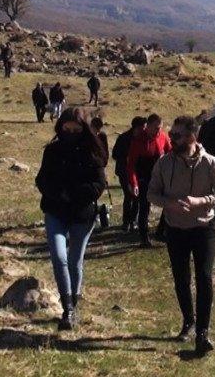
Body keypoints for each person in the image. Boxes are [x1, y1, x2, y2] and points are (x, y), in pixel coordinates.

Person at [147, 115, 215, 356]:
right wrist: (169, 204)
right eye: (171, 134)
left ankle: (202, 333)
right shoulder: (164, 163)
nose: (171, 139)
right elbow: (151, 194)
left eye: (177, 135)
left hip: (204, 228)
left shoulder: (211, 163)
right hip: (175, 229)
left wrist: (201, 202)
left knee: (204, 277)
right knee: (181, 279)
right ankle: (188, 320)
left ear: (192, 137)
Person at [34, 107, 107, 331]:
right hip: (55, 211)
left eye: (76, 130)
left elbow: (99, 184)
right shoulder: (52, 151)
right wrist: (58, 194)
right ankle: (67, 307)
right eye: (67, 129)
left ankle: (73, 304)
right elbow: (41, 179)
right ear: (60, 128)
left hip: (82, 214)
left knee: (75, 260)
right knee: (59, 257)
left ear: (84, 129)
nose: (71, 133)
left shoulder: (92, 152)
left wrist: (76, 194)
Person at [126, 113, 172, 247]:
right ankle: (144, 237)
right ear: (148, 126)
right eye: (156, 128)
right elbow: (131, 165)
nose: (158, 130)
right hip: (144, 178)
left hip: (160, 177)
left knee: (169, 202)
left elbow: (171, 152)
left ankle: (161, 231)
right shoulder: (138, 140)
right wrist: (134, 183)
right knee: (144, 207)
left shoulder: (163, 137)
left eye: (160, 127)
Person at [111, 116, 146, 232]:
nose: (144, 130)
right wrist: (126, 157)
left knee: (137, 196)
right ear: (136, 127)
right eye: (142, 128)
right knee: (128, 196)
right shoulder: (123, 138)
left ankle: (133, 221)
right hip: (124, 171)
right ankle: (126, 222)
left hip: (138, 172)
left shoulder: (143, 138)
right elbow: (115, 154)